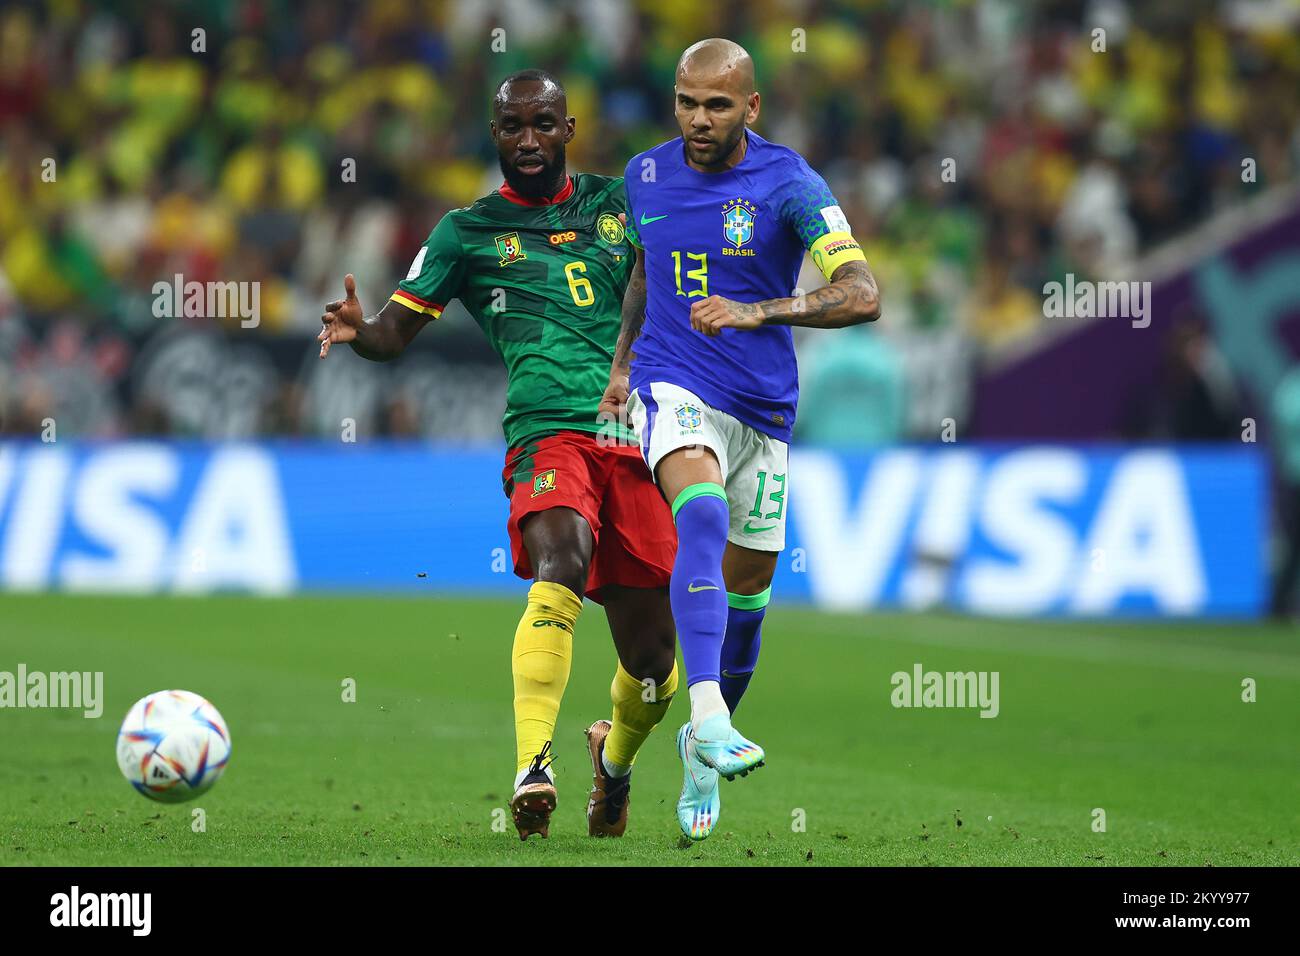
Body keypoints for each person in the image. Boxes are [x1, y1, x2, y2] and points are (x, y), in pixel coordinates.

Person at [318, 70, 679, 841]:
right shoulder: (466, 231)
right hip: (545, 429)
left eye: (542, 125)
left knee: (654, 669)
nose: (527, 141)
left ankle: (610, 764)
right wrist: (360, 329)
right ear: (495, 135)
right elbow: (392, 333)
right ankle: (532, 766)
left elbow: (672, 274)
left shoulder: (623, 202)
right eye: (512, 127)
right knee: (562, 562)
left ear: (568, 130)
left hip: (636, 436)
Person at [600, 39, 881, 841]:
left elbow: (863, 293)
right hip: (672, 384)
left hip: (762, 409)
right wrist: (621, 368)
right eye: (686, 101)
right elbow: (646, 274)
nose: (697, 118)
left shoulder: (792, 183)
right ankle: (710, 713)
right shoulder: (645, 175)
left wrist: (761, 310)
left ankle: (699, 745)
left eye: (716, 105)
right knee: (701, 519)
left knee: (750, 605)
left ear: (750, 107)